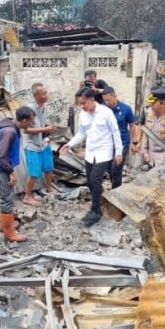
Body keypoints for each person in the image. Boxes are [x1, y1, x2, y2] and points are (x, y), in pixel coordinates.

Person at [60, 88, 123, 227]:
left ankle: (96, 211)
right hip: (90, 153)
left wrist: (118, 151)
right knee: (90, 181)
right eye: (80, 104)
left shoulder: (106, 113)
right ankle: (99, 202)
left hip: (104, 152)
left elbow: (115, 132)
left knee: (95, 180)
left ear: (92, 99)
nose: (82, 106)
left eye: (84, 103)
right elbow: (82, 133)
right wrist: (69, 144)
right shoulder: (83, 114)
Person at [0, 107, 34, 242]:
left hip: (1, 166)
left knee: (6, 196)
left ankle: (5, 224)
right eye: (31, 121)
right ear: (24, 120)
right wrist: (11, 172)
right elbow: (1, 155)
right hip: (1, 167)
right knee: (7, 198)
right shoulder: (10, 131)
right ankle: (9, 233)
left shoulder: (11, 126)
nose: (31, 124)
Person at [23, 83, 58, 206]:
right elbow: (25, 129)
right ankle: (27, 196)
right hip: (32, 145)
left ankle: (49, 188)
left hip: (43, 142)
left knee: (49, 167)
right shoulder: (29, 109)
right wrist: (45, 129)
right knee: (34, 172)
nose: (46, 95)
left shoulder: (44, 107)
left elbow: (42, 125)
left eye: (46, 92)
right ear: (36, 95)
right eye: (43, 93)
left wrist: (47, 130)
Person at [102, 86, 136, 189]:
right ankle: (116, 187)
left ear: (115, 96)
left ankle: (116, 190)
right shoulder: (103, 110)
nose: (107, 102)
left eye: (108, 99)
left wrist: (135, 142)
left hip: (122, 142)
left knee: (116, 168)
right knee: (108, 168)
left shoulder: (126, 109)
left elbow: (132, 126)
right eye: (105, 100)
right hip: (108, 143)